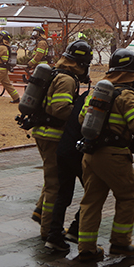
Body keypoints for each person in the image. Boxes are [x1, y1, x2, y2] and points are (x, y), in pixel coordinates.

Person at [76, 50, 134, 261]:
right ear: (131, 72)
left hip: (90, 154)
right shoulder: (125, 95)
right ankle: (120, 243)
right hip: (114, 156)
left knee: (91, 201)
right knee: (128, 196)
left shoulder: (97, 91)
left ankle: (86, 249)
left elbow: (81, 119)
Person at [40, 40, 94, 252]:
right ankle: (48, 231)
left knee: (51, 181)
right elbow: (60, 108)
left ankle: (41, 215)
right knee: (56, 186)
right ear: (81, 63)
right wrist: (82, 114)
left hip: (46, 132)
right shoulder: (66, 80)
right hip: (54, 136)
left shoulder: (57, 73)